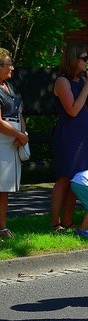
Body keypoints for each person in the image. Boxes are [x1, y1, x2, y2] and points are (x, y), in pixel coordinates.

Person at [51, 43, 88, 233]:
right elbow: (72, 110)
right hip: (68, 136)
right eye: (84, 58)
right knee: (63, 179)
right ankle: (56, 222)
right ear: (73, 59)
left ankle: (68, 221)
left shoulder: (81, 81)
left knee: (76, 180)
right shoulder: (62, 82)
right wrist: (87, 88)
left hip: (82, 137)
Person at [0, 48, 28, 239]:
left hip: (13, 140)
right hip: (2, 141)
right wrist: (18, 133)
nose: (12, 67)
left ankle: (2, 226)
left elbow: (18, 113)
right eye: (9, 64)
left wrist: (23, 134)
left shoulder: (9, 87)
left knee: (5, 187)